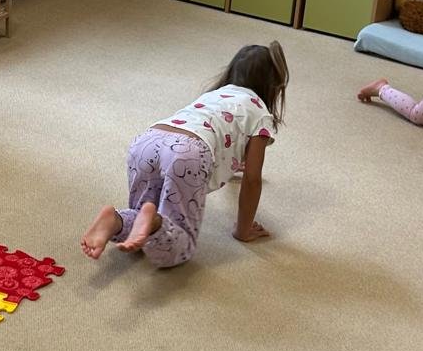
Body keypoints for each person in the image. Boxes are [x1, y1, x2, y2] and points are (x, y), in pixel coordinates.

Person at [82, 42, 288, 268]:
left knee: (139, 221)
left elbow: (220, 136)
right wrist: (243, 230)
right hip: (188, 154)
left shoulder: (214, 95)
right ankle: (156, 221)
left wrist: (233, 164)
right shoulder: (260, 113)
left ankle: (116, 220)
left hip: (148, 141)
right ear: (272, 87)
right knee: (180, 245)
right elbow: (252, 179)